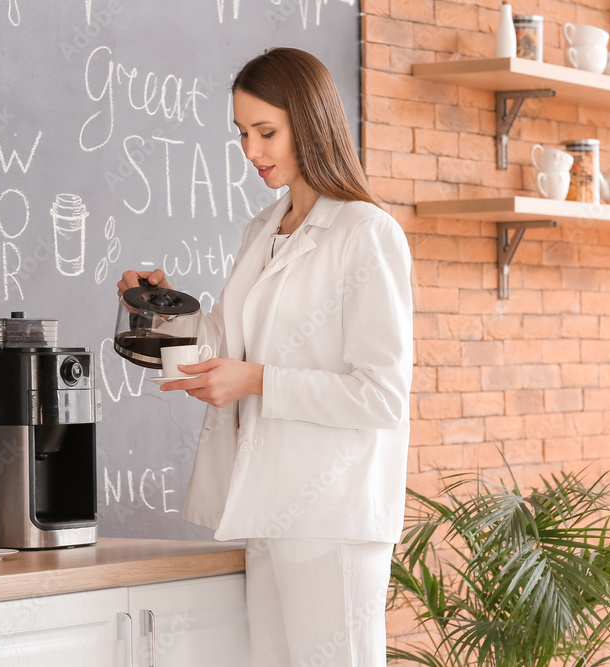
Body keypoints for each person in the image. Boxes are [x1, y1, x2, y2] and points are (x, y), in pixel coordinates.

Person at [117, 47, 413, 667]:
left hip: (333, 517)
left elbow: (381, 395)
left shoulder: (367, 233)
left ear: (310, 123)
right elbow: (224, 345)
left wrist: (256, 381)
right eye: (242, 134)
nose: (251, 151)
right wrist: (158, 308)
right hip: (266, 507)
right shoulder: (264, 229)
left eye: (266, 132)